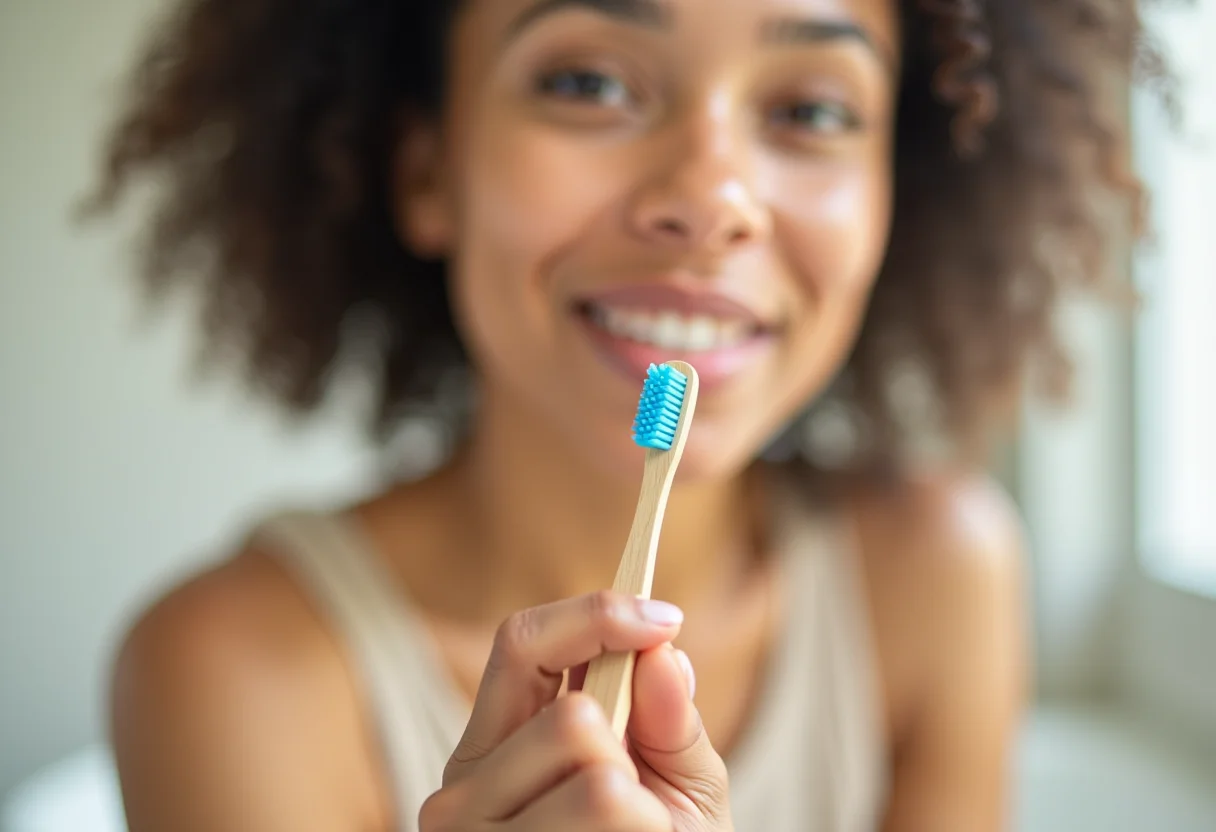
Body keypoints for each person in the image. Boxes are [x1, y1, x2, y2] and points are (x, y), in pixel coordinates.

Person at [87, 0, 1156, 829]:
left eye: (812, 109)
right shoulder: (233, 669)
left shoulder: (939, 575)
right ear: (426, 171)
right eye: (589, 82)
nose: (710, 194)